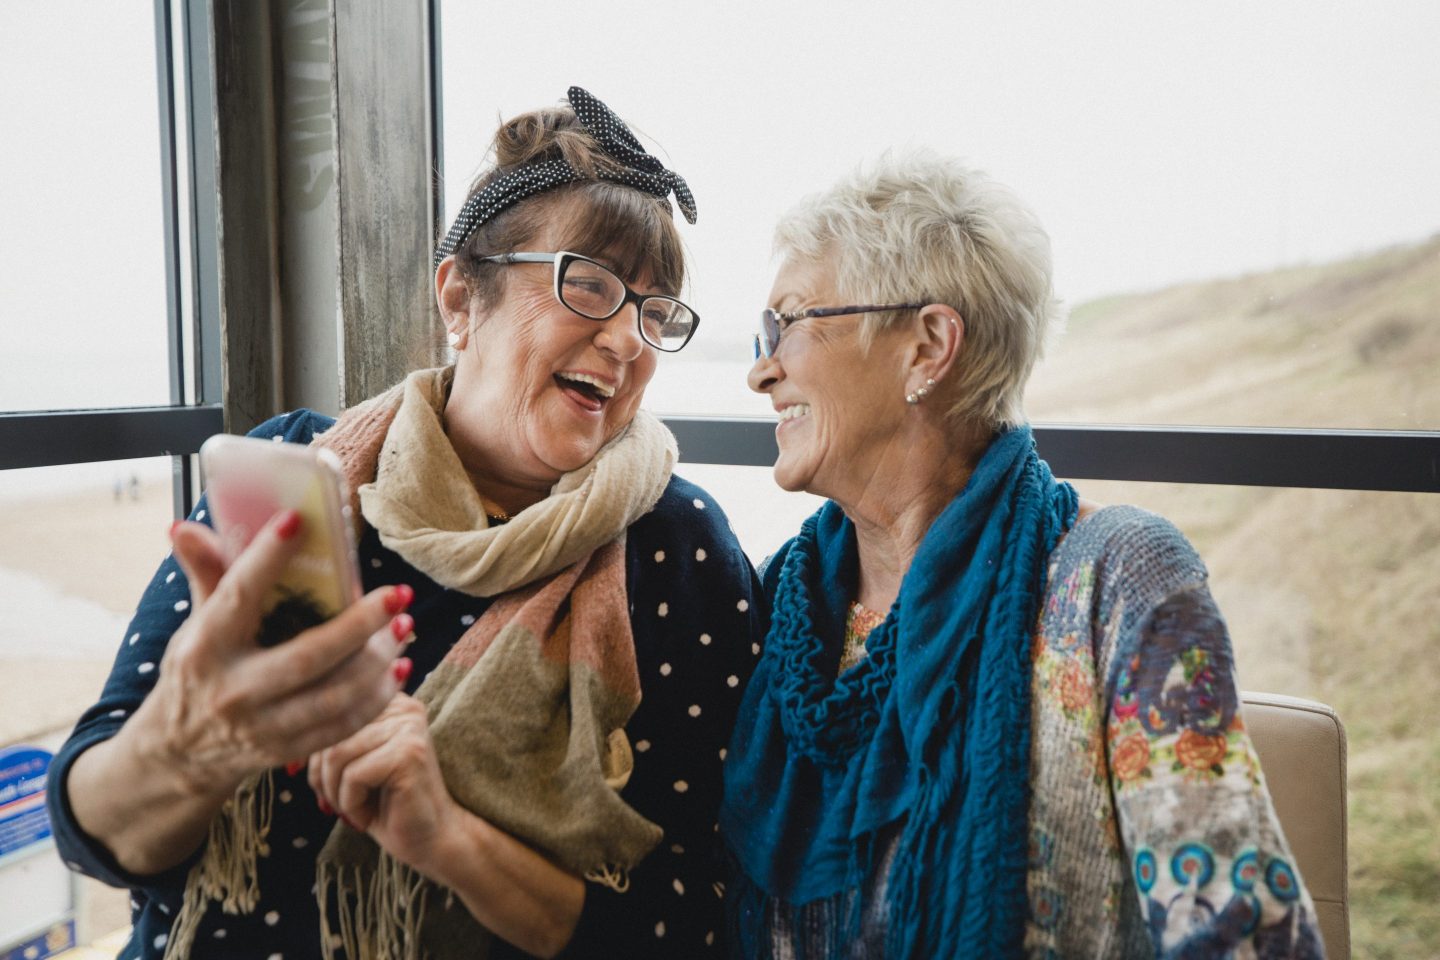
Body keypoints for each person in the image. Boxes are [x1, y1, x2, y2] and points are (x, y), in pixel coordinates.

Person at [48, 87, 763, 959]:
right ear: (460, 300)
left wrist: (449, 839)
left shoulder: (677, 548)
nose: (629, 341)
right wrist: (192, 743)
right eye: (589, 285)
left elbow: (693, 917)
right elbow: (93, 835)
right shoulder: (299, 476)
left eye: (656, 314)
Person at [720, 152, 1326, 958]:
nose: (762, 370)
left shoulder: (1117, 583)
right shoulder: (773, 603)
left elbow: (1243, 940)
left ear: (928, 346)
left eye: (787, 324)